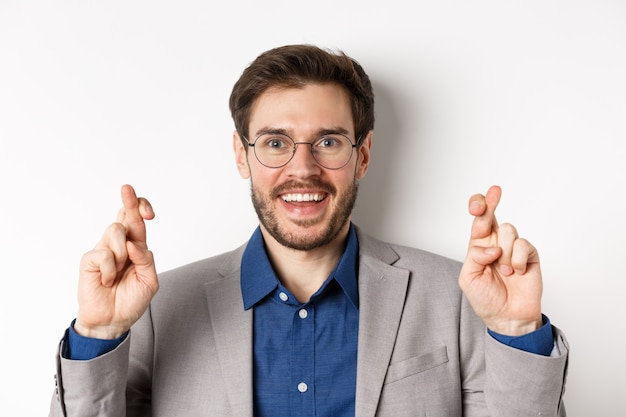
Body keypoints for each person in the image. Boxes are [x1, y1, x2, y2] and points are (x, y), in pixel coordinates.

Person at [48, 44, 568, 417]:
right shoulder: (157, 309)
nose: (303, 169)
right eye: (275, 143)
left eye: (328, 142)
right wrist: (99, 335)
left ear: (362, 155)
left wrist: (516, 332)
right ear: (241, 155)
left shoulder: (458, 298)